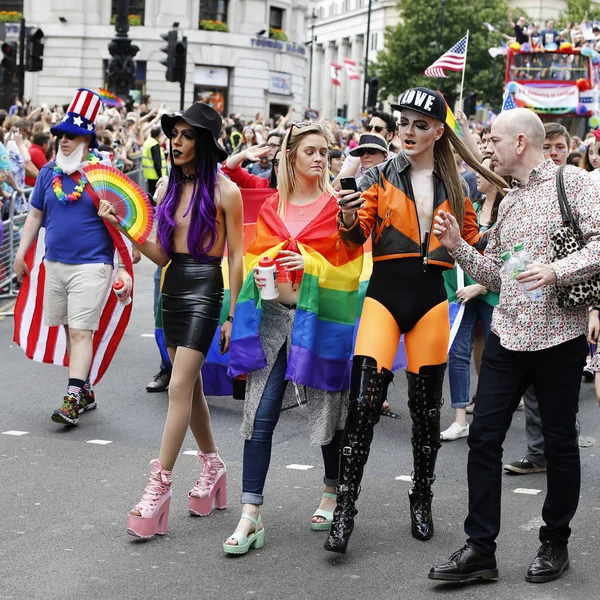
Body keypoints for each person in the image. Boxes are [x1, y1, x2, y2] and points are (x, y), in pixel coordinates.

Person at [325, 87, 506, 554]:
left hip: (431, 300)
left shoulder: (458, 184)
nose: (407, 131)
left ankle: (421, 498)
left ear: (438, 132)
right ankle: (344, 509)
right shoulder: (378, 175)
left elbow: (471, 244)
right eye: (402, 122)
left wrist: (481, 237)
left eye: (419, 124)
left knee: (427, 415)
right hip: (384, 297)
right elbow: (351, 242)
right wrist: (345, 218)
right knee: (364, 405)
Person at [429, 107, 600, 584]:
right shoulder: (509, 200)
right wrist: (457, 247)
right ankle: (481, 549)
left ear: (521, 142)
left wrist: (557, 270)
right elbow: (493, 275)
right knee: (483, 439)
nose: (486, 148)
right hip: (508, 334)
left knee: (561, 444)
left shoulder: (577, 184)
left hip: (559, 337)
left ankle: (555, 543)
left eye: (493, 140)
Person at [99, 103, 243, 539]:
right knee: (191, 386)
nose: (175, 142)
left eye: (185, 135)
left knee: (178, 386)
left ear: (204, 142)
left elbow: (236, 256)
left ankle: (159, 484)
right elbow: (162, 255)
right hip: (171, 288)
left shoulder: (226, 192)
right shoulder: (170, 191)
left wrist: (232, 313)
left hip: (206, 290)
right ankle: (213, 466)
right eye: (173, 135)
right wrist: (125, 224)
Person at [223, 122, 362, 555]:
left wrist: (310, 264)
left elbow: (352, 273)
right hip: (271, 322)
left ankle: (331, 490)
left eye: (325, 151)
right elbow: (248, 261)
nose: (321, 158)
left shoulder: (335, 207)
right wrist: (243, 299)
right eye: (311, 152)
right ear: (290, 157)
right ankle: (250, 515)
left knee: (327, 417)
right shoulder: (270, 207)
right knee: (258, 419)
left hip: (318, 327)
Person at [13, 88, 133, 425]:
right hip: (54, 264)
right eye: (61, 135)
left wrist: (129, 252)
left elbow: (128, 215)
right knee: (70, 328)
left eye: (72, 136)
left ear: (86, 140)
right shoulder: (49, 173)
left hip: (92, 265)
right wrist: (22, 254)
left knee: (81, 330)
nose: (64, 141)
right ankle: (85, 389)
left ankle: (71, 399)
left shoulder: (102, 173)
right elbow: (34, 216)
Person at [503, 121, 571, 475]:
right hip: (526, 314)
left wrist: (557, 271)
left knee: (560, 405)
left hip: (567, 316)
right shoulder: (517, 194)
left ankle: (560, 452)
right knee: (529, 394)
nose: (553, 154)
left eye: (559, 147)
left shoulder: (576, 185)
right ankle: (538, 453)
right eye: (549, 147)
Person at [441, 158, 506, 441]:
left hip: (492, 294)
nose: (474, 175)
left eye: (482, 171)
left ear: (496, 176)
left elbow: (510, 260)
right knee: (457, 353)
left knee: (494, 357)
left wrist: (479, 287)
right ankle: (459, 418)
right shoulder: (470, 207)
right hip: (460, 292)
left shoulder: (508, 212)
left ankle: (490, 415)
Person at [141, 126, 167, 199]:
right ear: (158, 135)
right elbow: (157, 162)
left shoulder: (147, 141)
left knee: (151, 195)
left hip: (149, 175)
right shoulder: (154, 144)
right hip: (155, 175)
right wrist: (161, 175)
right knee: (156, 197)